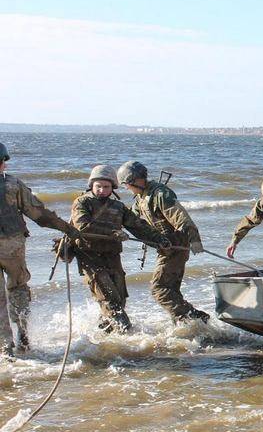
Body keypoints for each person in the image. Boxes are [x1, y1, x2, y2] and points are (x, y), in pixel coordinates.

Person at [0, 142, 78, 355]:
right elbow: (39, 215)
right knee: (18, 287)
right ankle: (23, 334)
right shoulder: (13, 185)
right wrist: (68, 229)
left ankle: (5, 349)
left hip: (11, 243)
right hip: (12, 246)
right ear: (3, 163)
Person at [71, 165, 169, 333]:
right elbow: (83, 226)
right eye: (98, 186)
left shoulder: (118, 206)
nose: (102, 190)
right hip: (89, 256)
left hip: (112, 256)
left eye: (106, 187)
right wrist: (113, 233)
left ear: (113, 187)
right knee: (111, 301)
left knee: (120, 299)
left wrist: (160, 240)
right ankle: (128, 338)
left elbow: (138, 227)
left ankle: (106, 341)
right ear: (91, 186)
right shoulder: (82, 202)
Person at [116, 161, 209, 323]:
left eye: (125, 184)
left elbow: (181, 217)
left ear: (134, 181)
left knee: (159, 289)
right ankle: (184, 325)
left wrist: (195, 241)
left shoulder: (160, 195)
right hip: (165, 247)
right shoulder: (141, 197)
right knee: (171, 289)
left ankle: (197, 319)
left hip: (175, 247)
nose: (126, 188)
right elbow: (132, 218)